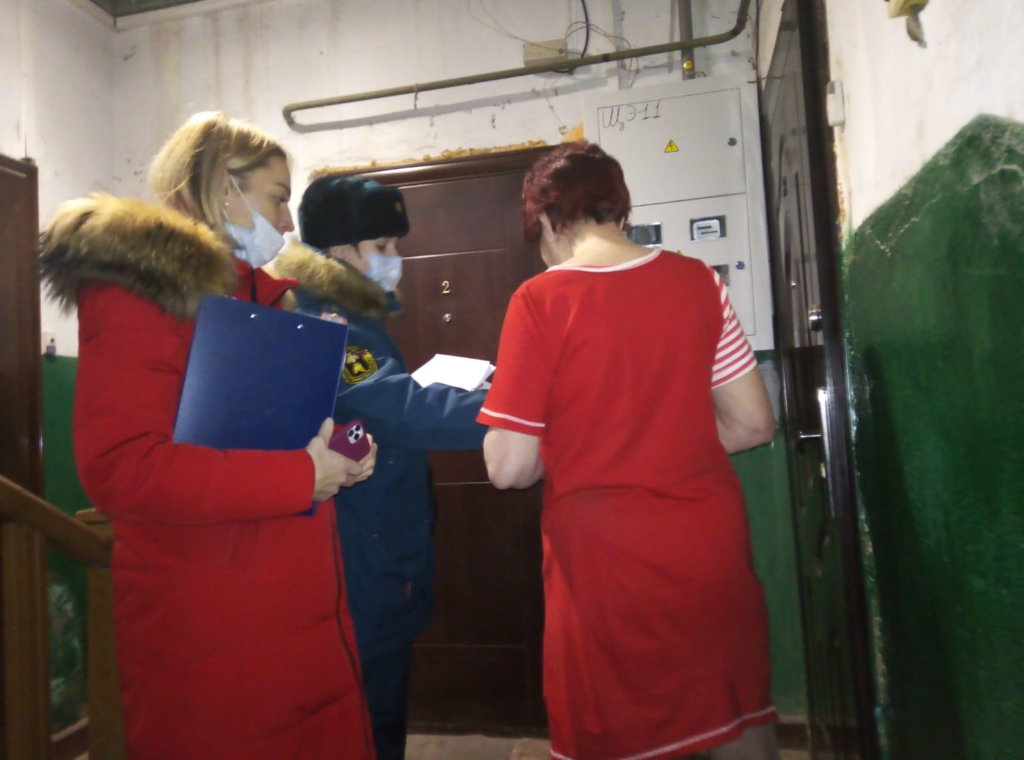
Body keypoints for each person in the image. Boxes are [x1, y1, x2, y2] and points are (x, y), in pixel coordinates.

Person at [38, 112, 378, 760]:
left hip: (295, 612)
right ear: (225, 188)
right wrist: (303, 476)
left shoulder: (266, 299)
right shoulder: (138, 293)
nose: (288, 224)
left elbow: (278, 429)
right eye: (277, 198)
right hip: (216, 626)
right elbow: (124, 468)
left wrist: (347, 446)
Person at [479, 142, 780, 760]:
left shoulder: (539, 300)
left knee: (614, 730)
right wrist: (661, 444)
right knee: (731, 713)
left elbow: (510, 467)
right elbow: (753, 423)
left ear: (546, 219)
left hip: (606, 568)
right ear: (619, 207)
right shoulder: (699, 280)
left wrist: (577, 447)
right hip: (709, 549)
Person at [268, 174, 488, 760]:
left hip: (376, 543)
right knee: (368, 716)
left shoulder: (350, 317)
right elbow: (394, 406)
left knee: (380, 710)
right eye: (383, 245)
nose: (396, 259)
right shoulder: (326, 321)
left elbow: (378, 401)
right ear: (342, 251)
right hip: (360, 554)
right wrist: (511, 409)